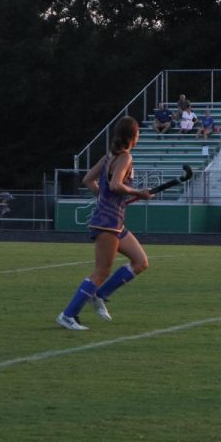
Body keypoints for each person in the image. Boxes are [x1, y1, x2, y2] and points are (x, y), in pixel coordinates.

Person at [56, 116, 154, 330]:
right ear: (133, 136)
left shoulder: (108, 157)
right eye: (138, 134)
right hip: (107, 223)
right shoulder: (125, 157)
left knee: (140, 262)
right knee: (101, 271)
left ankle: (100, 294)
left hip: (114, 221)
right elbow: (116, 184)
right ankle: (68, 315)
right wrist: (139, 193)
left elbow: (87, 180)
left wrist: (106, 197)